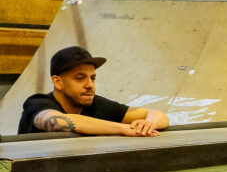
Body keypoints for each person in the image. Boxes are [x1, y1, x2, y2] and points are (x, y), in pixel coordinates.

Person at [18, 46, 169, 136]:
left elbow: (159, 115)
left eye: (93, 78)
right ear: (58, 82)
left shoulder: (95, 103)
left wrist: (148, 124)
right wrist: (124, 129)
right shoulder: (38, 102)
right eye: (80, 78)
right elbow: (60, 121)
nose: (90, 85)